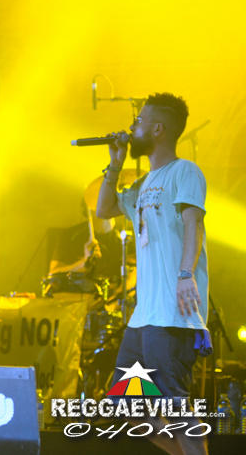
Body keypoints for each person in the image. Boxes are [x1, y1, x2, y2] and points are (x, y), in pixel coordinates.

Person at [97, 93, 209, 455]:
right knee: (126, 407)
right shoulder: (141, 183)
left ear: (157, 129)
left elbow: (195, 224)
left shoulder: (184, 171)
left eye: (139, 120)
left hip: (174, 313)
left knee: (175, 406)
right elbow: (105, 209)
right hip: (144, 318)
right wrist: (114, 164)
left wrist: (185, 274)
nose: (132, 127)